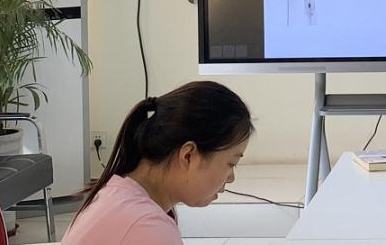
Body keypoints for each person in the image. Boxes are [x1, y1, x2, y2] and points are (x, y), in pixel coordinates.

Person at [62, 81, 253, 245]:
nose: (231, 178)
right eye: (231, 163)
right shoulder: (146, 227)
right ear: (188, 156)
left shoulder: (115, 195)